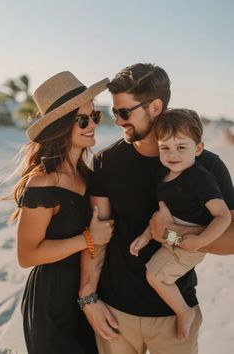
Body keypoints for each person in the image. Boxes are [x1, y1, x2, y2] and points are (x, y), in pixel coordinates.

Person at [79, 63, 234, 354]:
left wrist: (173, 234)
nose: (118, 121)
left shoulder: (206, 165)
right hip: (116, 315)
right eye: (115, 112)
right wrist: (87, 299)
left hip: (175, 318)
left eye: (125, 112)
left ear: (156, 107)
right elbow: (97, 236)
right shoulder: (105, 162)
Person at [6, 71, 114, 354]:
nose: (92, 125)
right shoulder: (42, 183)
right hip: (51, 302)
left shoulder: (89, 177)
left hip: (86, 296)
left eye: (95, 116)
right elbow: (27, 255)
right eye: (82, 120)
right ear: (61, 127)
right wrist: (88, 238)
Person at [129, 108, 231, 341]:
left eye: (181, 147)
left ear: (198, 148)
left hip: (191, 242)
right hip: (174, 239)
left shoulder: (201, 178)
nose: (172, 154)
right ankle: (182, 309)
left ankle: (184, 311)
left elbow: (223, 216)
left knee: (154, 276)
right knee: (155, 270)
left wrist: (200, 242)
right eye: (165, 147)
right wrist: (146, 236)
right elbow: (161, 214)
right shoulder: (165, 175)